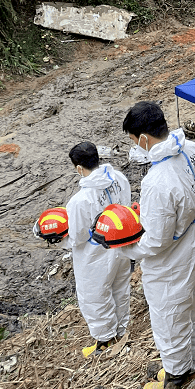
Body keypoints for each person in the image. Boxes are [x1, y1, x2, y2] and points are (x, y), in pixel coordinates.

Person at [119, 102, 195, 389]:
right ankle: (193, 361)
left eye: (134, 141)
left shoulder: (157, 180)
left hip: (173, 257)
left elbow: (156, 241)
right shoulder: (193, 151)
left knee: (169, 314)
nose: (135, 146)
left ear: (144, 138)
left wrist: (124, 247)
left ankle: (176, 374)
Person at [66, 142, 133, 358]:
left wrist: (58, 238)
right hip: (122, 247)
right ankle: (122, 331)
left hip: (96, 257)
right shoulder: (119, 179)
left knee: (95, 296)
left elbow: (77, 237)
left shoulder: (79, 201)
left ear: (78, 168)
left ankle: (104, 341)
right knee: (120, 288)